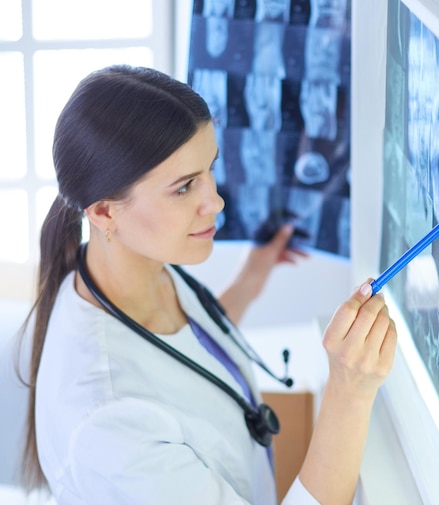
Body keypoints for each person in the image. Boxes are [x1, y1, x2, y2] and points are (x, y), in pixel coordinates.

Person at [18, 65, 397, 505]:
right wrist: (349, 391)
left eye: (209, 169)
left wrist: (251, 279)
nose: (215, 201)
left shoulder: (122, 271)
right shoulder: (110, 428)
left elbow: (178, 350)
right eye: (184, 188)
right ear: (104, 213)